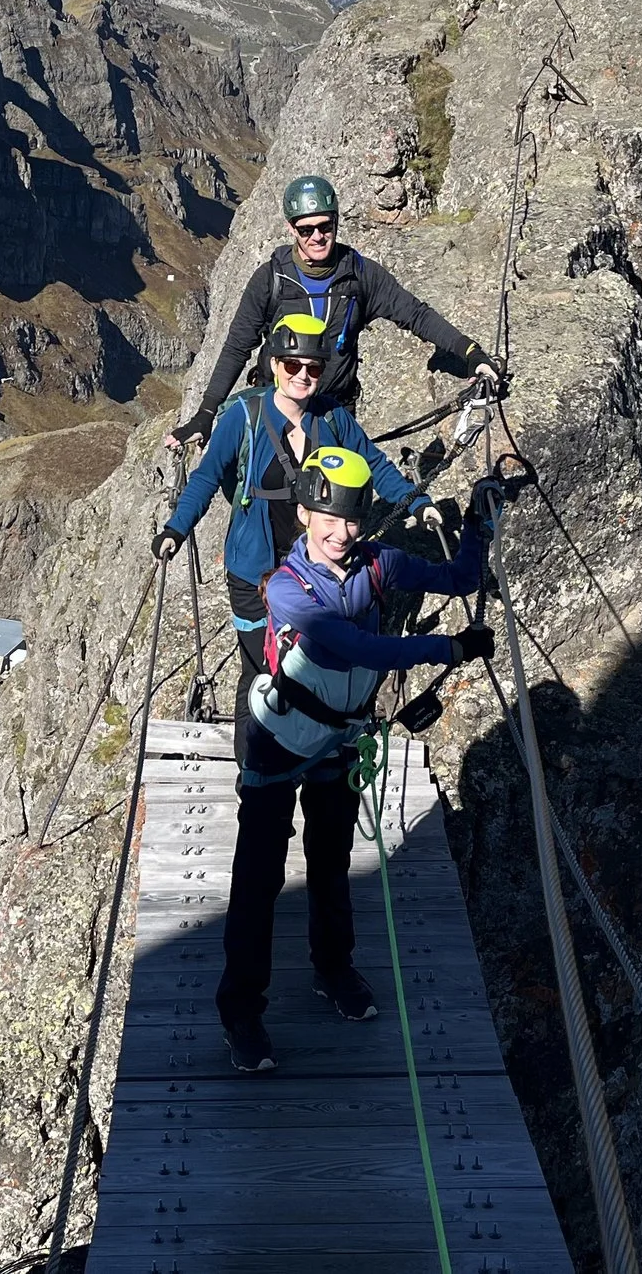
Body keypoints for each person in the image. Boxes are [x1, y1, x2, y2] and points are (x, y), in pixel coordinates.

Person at [213, 445, 495, 1073]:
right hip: (276, 741)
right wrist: (447, 646)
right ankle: (241, 1010)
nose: (341, 532)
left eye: (352, 518)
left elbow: (457, 579)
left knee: (331, 859)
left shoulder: (376, 564)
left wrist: (476, 522)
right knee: (257, 876)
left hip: (334, 737)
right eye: (327, 517)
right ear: (306, 512)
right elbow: (355, 647)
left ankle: (333, 969)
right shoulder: (286, 592)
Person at [156, 313, 425, 738]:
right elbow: (207, 477)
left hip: (315, 572)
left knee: (312, 666)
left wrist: (416, 503)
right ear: (275, 364)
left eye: (313, 367)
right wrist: (176, 529)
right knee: (263, 667)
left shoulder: (334, 420)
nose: (302, 374)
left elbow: (373, 465)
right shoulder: (244, 417)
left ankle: (305, 757)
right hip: (253, 571)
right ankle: (256, 771)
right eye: (292, 364)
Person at [166, 174, 499, 445]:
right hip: (277, 411)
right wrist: (206, 413)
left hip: (334, 414)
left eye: (325, 226)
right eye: (306, 229)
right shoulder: (271, 280)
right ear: (291, 228)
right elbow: (237, 347)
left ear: (337, 222)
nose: (317, 236)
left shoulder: (360, 275)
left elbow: (416, 315)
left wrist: (470, 353)